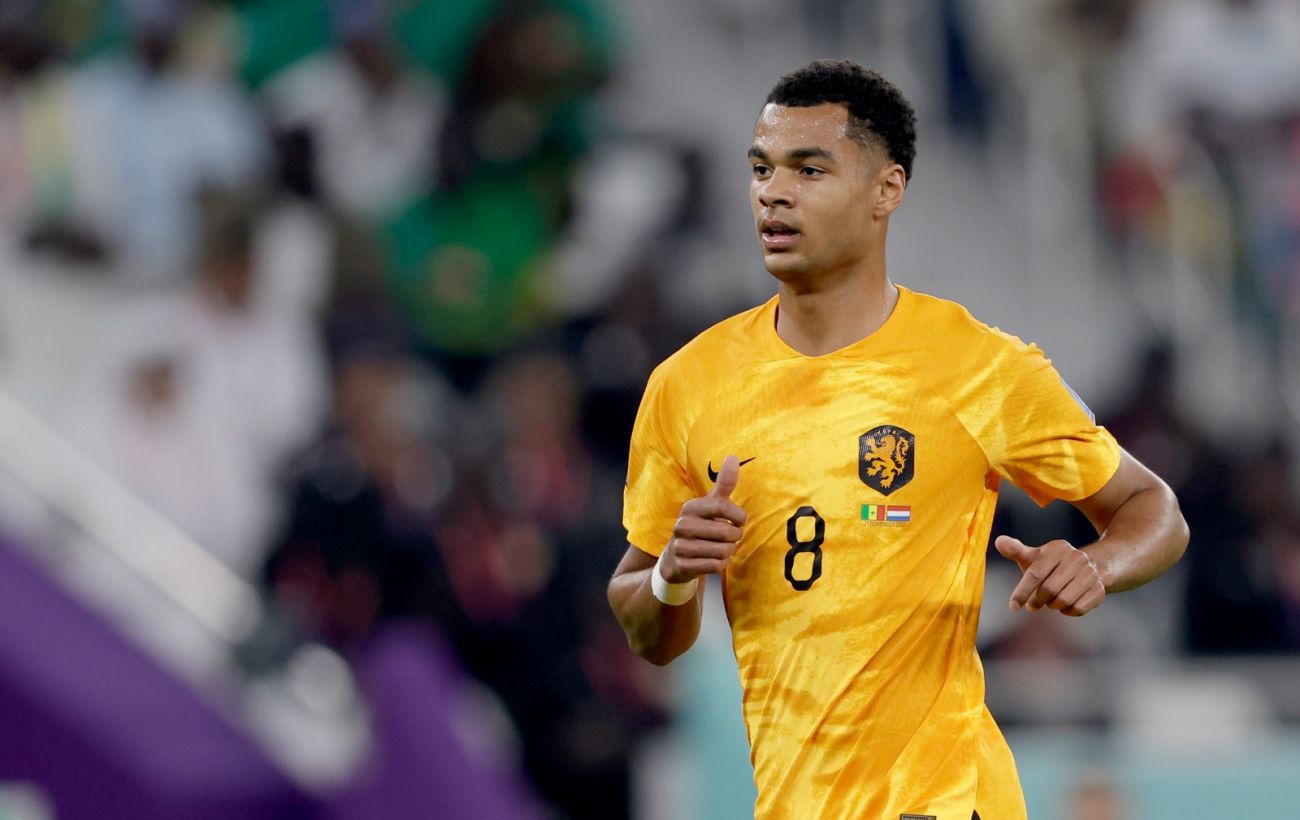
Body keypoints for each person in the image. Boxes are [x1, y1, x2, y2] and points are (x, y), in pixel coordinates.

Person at [607, 59, 1189, 820]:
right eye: (761, 169)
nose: (774, 192)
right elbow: (650, 632)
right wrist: (674, 574)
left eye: (809, 169)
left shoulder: (978, 366)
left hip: (942, 800)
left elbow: (1154, 509)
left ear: (887, 190)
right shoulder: (688, 383)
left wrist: (1096, 564)